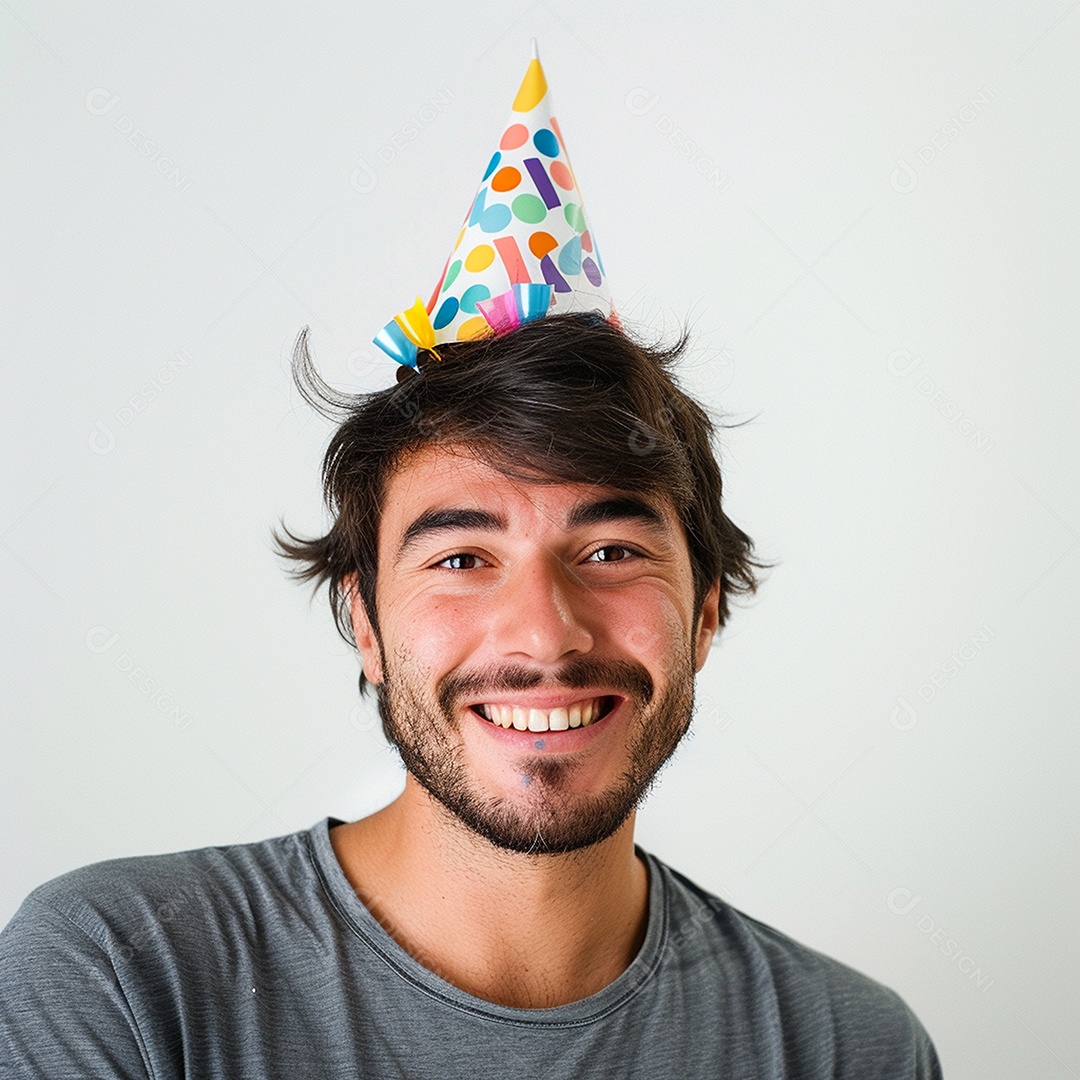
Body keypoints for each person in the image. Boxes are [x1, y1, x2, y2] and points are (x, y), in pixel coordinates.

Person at [0, 48, 942, 1080]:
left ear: (707, 612)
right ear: (363, 620)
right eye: (461, 556)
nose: (545, 632)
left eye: (612, 550)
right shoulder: (121, 980)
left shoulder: (848, 1049)